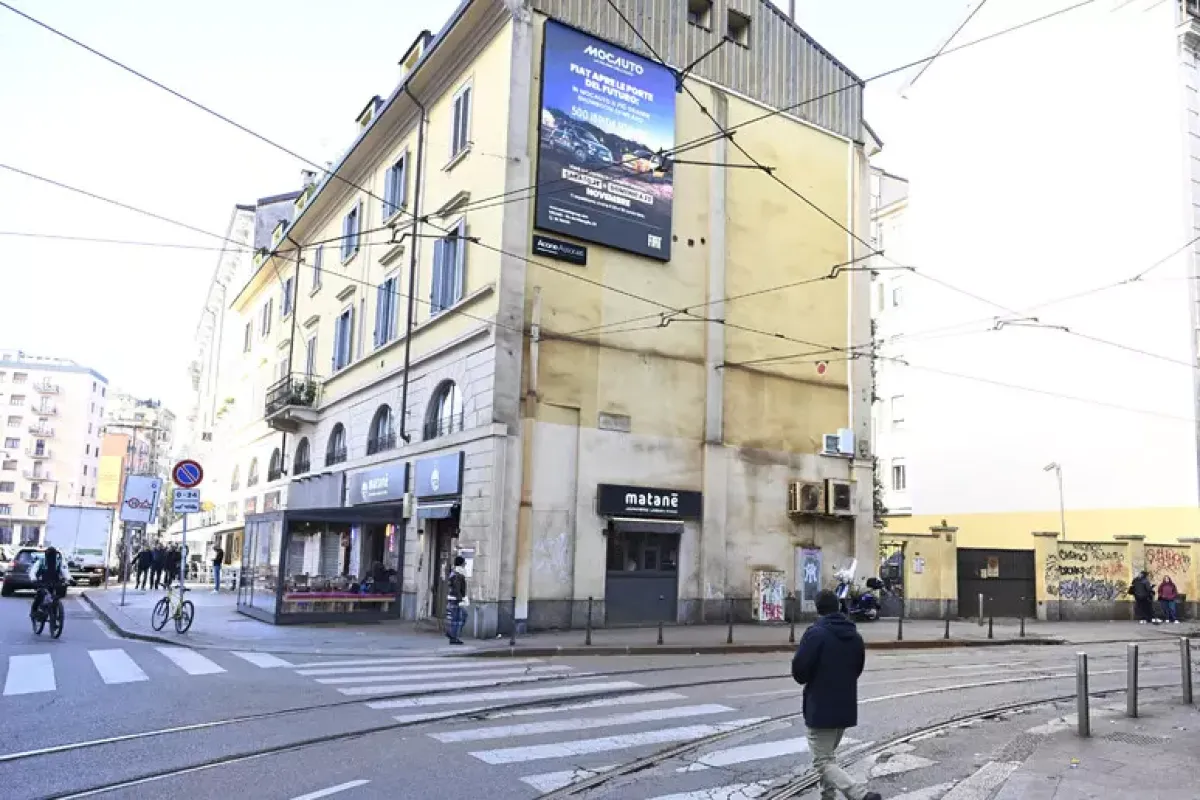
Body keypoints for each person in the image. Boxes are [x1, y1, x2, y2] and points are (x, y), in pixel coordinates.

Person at [791, 589, 881, 800]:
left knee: (822, 762)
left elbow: (800, 672)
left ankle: (861, 795)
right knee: (828, 758)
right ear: (838, 606)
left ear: (818, 609)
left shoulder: (815, 634)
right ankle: (827, 797)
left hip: (820, 707)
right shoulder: (854, 635)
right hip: (845, 706)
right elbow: (857, 669)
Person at [31, 546, 71, 621]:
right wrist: (34, 579)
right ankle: (35, 611)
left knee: (55, 596)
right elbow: (33, 571)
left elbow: (64, 570)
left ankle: (54, 615)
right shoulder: (41, 560)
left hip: (55, 581)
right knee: (41, 594)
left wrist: (69, 579)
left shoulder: (59, 561)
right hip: (43, 581)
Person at [445, 555, 469, 645]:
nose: (465, 564)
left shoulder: (454, 572)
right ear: (461, 563)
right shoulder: (458, 574)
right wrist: (461, 600)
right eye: (464, 563)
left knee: (460, 617)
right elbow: (457, 588)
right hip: (456, 600)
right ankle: (453, 636)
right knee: (458, 619)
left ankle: (452, 635)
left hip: (454, 599)